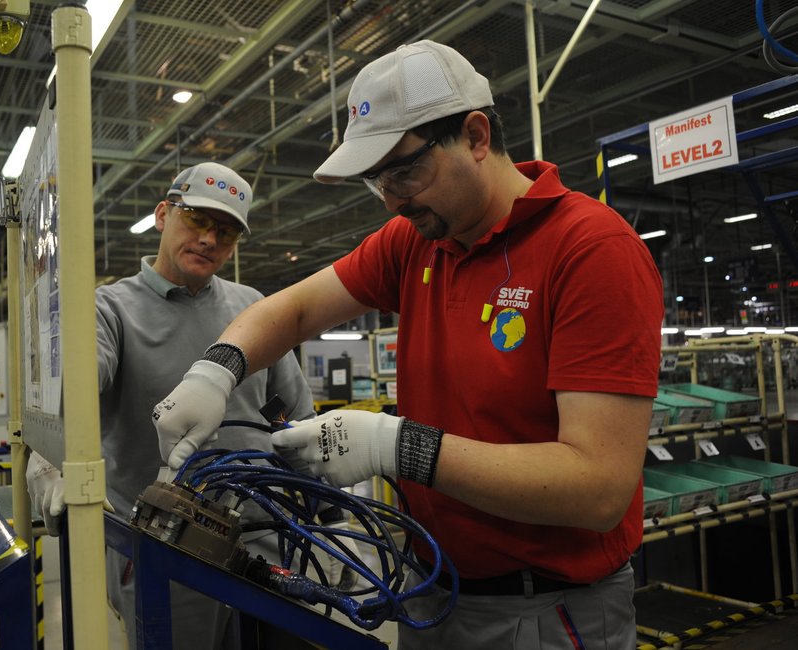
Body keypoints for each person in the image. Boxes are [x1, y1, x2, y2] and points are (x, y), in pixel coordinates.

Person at [152, 41, 664, 649]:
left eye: (404, 171)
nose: (392, 198)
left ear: (476, 136)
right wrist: (216, 369)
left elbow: (598, 486)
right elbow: (294, 309)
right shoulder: (415, 242)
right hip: (432, 590)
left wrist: (396, 446)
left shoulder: (588, 250)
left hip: (547, 612)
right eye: (376, 181)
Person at [27, 161, 337, 649]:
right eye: (197, 220)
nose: (210, 239)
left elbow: (292, 419)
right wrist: (48, 448)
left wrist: (331, 520)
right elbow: (75, 392)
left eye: (227, 231)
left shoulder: (253, 309)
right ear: (162, 215)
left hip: (266, 537)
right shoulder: (110, 311)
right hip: (164, 545)